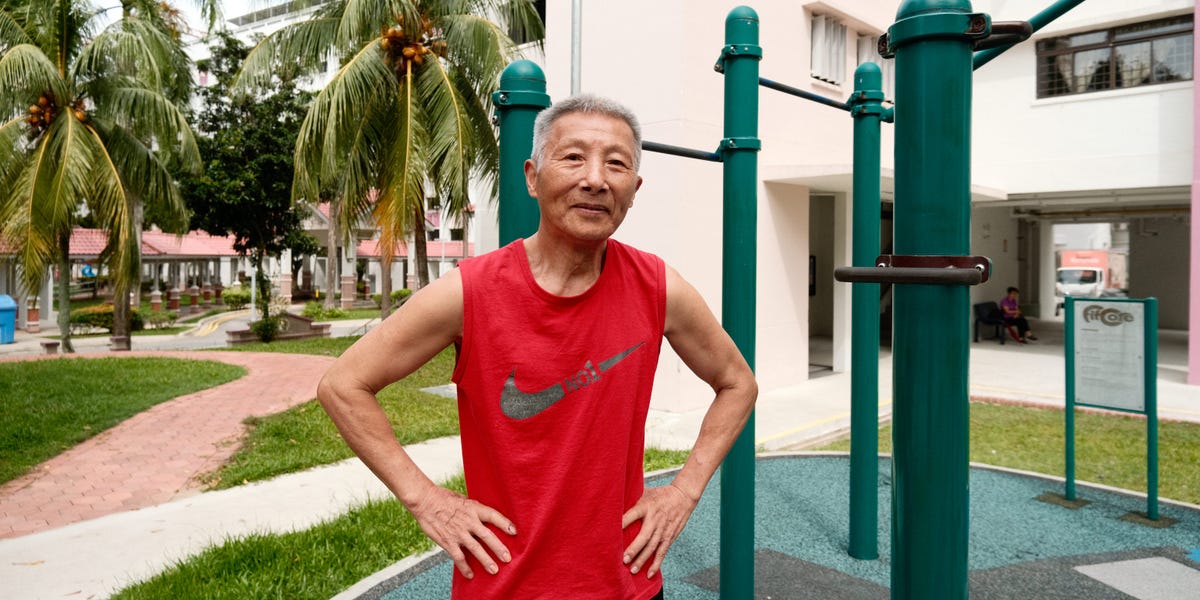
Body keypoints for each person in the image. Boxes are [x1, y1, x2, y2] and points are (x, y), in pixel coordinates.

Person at [316, 94, 758, 600]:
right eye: (573, 157)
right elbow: (342, 385)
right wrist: (426, 500)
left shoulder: (659, 287)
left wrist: (683, 492)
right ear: (532, 176)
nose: (595, 179)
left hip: (626, 583)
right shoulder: (470, 292)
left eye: (616, 164)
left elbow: (737, 383)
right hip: (503, 584)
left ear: (634, 190)